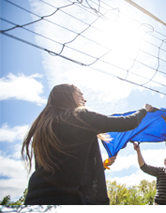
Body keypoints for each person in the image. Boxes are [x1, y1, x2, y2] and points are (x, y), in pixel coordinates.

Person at [21, 84, 152, 204]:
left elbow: (64, 166)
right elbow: (128, 122)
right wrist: (143, 110)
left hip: (35, 196)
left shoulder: (43, 127)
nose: (84, 99)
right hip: (71, 196)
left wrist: (102, 166)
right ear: (68, 96)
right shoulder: (80, 116)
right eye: (80, 94)